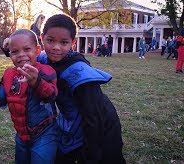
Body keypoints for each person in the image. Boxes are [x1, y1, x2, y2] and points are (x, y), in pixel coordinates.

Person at [38, 14, 125, 163]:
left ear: (73, 42)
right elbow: (27, 54)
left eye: (64, 42)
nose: (56, 47)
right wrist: (9, 46)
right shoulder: (45, 58)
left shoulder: (80, 72)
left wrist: (92, 154)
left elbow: (93, 116)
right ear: (42, 37)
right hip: (69, 120)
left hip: (100, 123)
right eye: (50, 40)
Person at [0, 29, 59, 163]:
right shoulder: (8, 75)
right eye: (15, 51)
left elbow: (51, 96)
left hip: (45, 134)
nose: (21, 55)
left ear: (37, 50)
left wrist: (36, 82)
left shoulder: (45, 71)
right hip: (21, 136)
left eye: (26, 49)